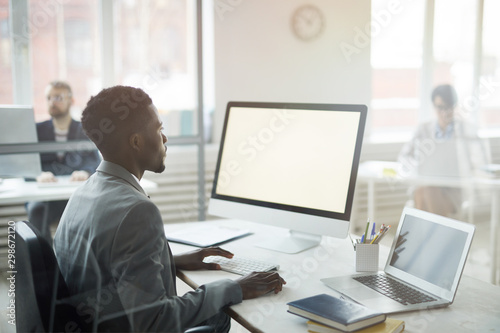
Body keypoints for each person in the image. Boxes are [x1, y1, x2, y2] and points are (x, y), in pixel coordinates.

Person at [53, 85, 286, 332]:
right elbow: (155, 321)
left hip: (95, 320)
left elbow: (105, 270)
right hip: (122, 325)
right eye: (159, 129)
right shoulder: (137, 211)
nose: (164, 138)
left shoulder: (83, 193)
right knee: (220, 315)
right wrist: (234, 287)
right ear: (136, 141)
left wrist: (168, 261)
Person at [26, 81, 100, 245]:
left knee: (90, 212)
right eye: (49, 98)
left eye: (58, 97)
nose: (53, 102)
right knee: (36, 209)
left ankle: (75, 262)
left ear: (71, 101)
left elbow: (95, 160)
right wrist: (37, 174)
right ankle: (44, 264)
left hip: (73, 196)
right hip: (44, 197)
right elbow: (26, 162)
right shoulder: (36, 130)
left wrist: (85, 172)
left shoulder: (84, 129)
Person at [398, 84, 489, 217]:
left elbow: (479, 160)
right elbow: (405, 156)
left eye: (448, 107)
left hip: (454, 189)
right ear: (433, 106)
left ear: (454, 106)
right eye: (440, 107)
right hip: (426, 184)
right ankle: (437, 236)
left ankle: (425, 237)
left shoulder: (467, 130)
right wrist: (414, 166)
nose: (444, 112)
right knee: (425, 190)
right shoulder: (423, 129)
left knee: (425, 192)